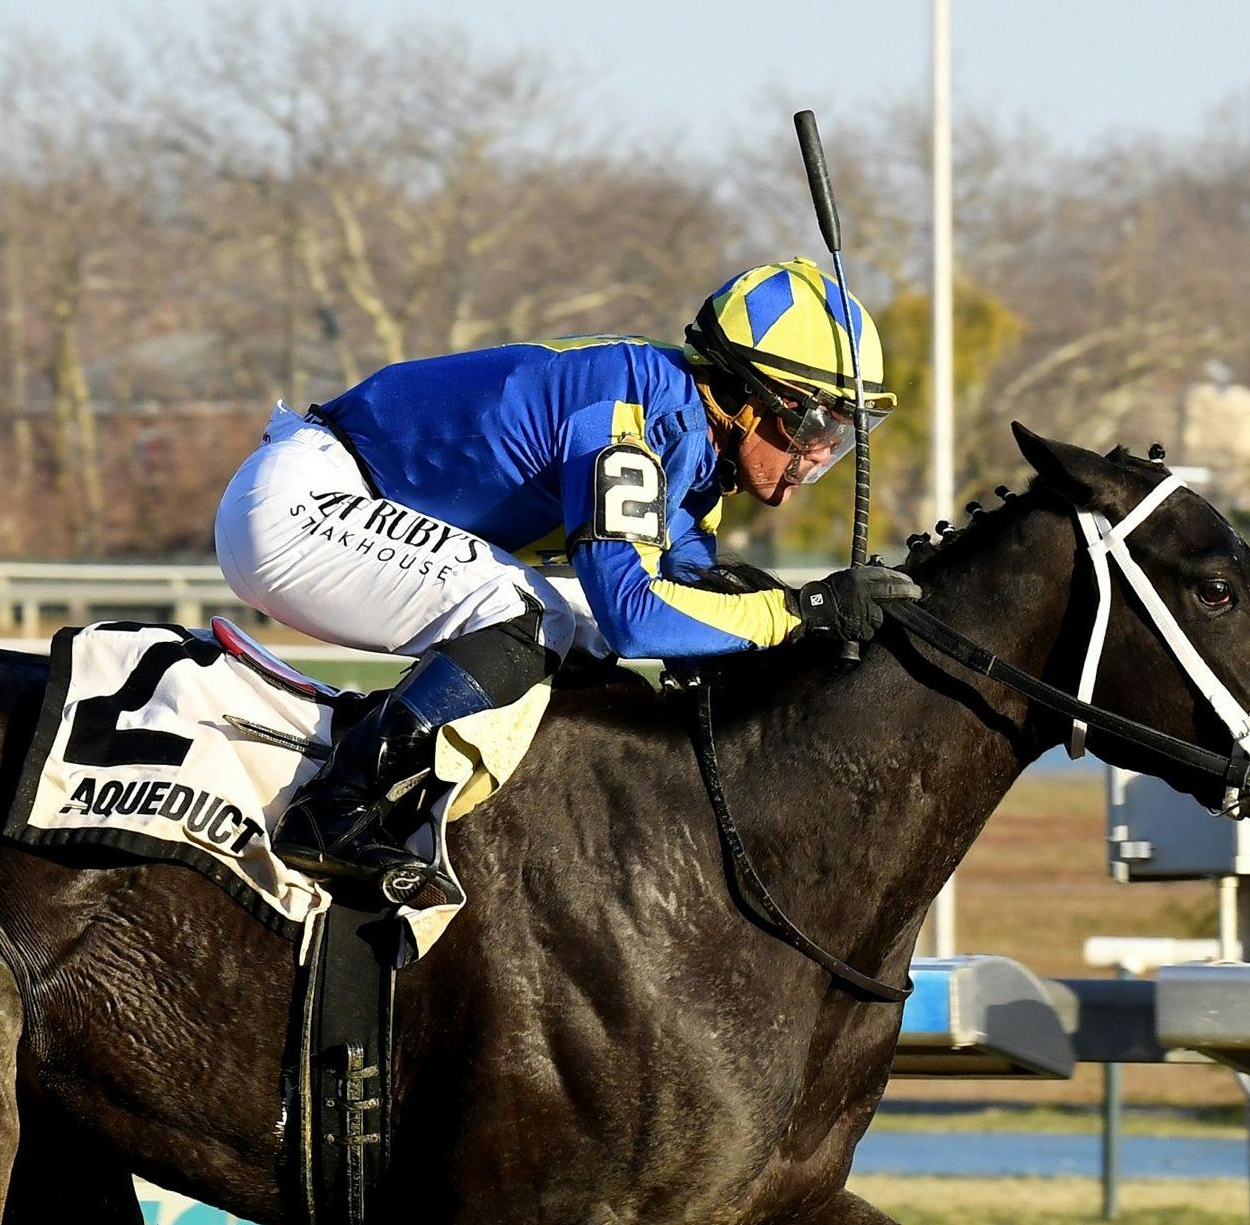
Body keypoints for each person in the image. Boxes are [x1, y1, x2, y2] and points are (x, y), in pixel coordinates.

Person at [214, 259, 921, 891]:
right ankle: (333, 809)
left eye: (835, 441)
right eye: (809, 434)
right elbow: (638, 614)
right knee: (532, 615)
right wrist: (802, 612)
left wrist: (815, 614)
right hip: (300, 504)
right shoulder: (628, 417)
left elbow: (699, 589)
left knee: (579, 642)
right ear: (740, 396)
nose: (810, 464)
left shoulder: (687, 439)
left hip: (336, 498)